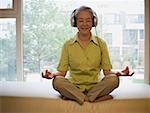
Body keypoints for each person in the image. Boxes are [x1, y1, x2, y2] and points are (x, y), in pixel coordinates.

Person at [42, 6, 132, 105]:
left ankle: (78, 98)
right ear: (75, 22)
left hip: (95, 87)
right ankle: (92, 99)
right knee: (57, 81)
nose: (84, 24)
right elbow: (62, 73)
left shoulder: (101, 44)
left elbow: (107, 72)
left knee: (114, 80)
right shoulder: (68, 45)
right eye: (81, 21)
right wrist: (52, 75)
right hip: (74, 87)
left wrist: (120, 73)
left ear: (93, 22)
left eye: (88, 20)